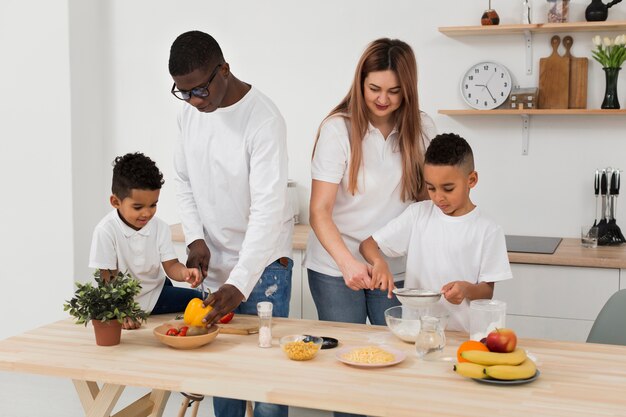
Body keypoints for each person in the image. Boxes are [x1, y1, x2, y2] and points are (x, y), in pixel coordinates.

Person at [168, 31, 293, 417]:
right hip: (216, 263)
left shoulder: (263, 120)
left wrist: (240, 282)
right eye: (182, 92)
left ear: (224, 70)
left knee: (268, 381)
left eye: (199, 91)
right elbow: (183, 180)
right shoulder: (189, 114)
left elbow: (268, 211)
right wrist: (195, 239)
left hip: (264, 267)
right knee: (224, 379)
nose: (192, 101)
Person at [304, 38, 437, 329]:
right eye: (374, 89)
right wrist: (346, 263)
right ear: (360, 83)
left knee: (395, 350)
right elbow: (319, 211)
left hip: (391, 265)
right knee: (347, 352)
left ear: (408, 90)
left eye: (394, 91)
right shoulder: (338, 130)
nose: (382, 99)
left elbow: (426, 202)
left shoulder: (422, 129)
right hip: (334, 267)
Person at [359, 133, 513, 332]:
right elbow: (368, 245)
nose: (438, 197)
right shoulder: (417, 215)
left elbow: (486, 292)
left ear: (472, 180)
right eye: (431, 188)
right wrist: (379, 263)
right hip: (416, 332)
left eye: (448, 188)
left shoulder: (488, 230)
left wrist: (465, 289)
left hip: (460, 335)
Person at [89, 152, 202, 329]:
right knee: (200, 301)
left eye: (153, 205)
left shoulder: (160, 227)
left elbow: (171, 266)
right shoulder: (106, 231)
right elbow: (107, 279)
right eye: (138, 207)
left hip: (157, 286)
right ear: (115, 202)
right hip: (136, 301)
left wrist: (185, 273)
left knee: (197, 298)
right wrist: (121, 311)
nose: (147, 213)